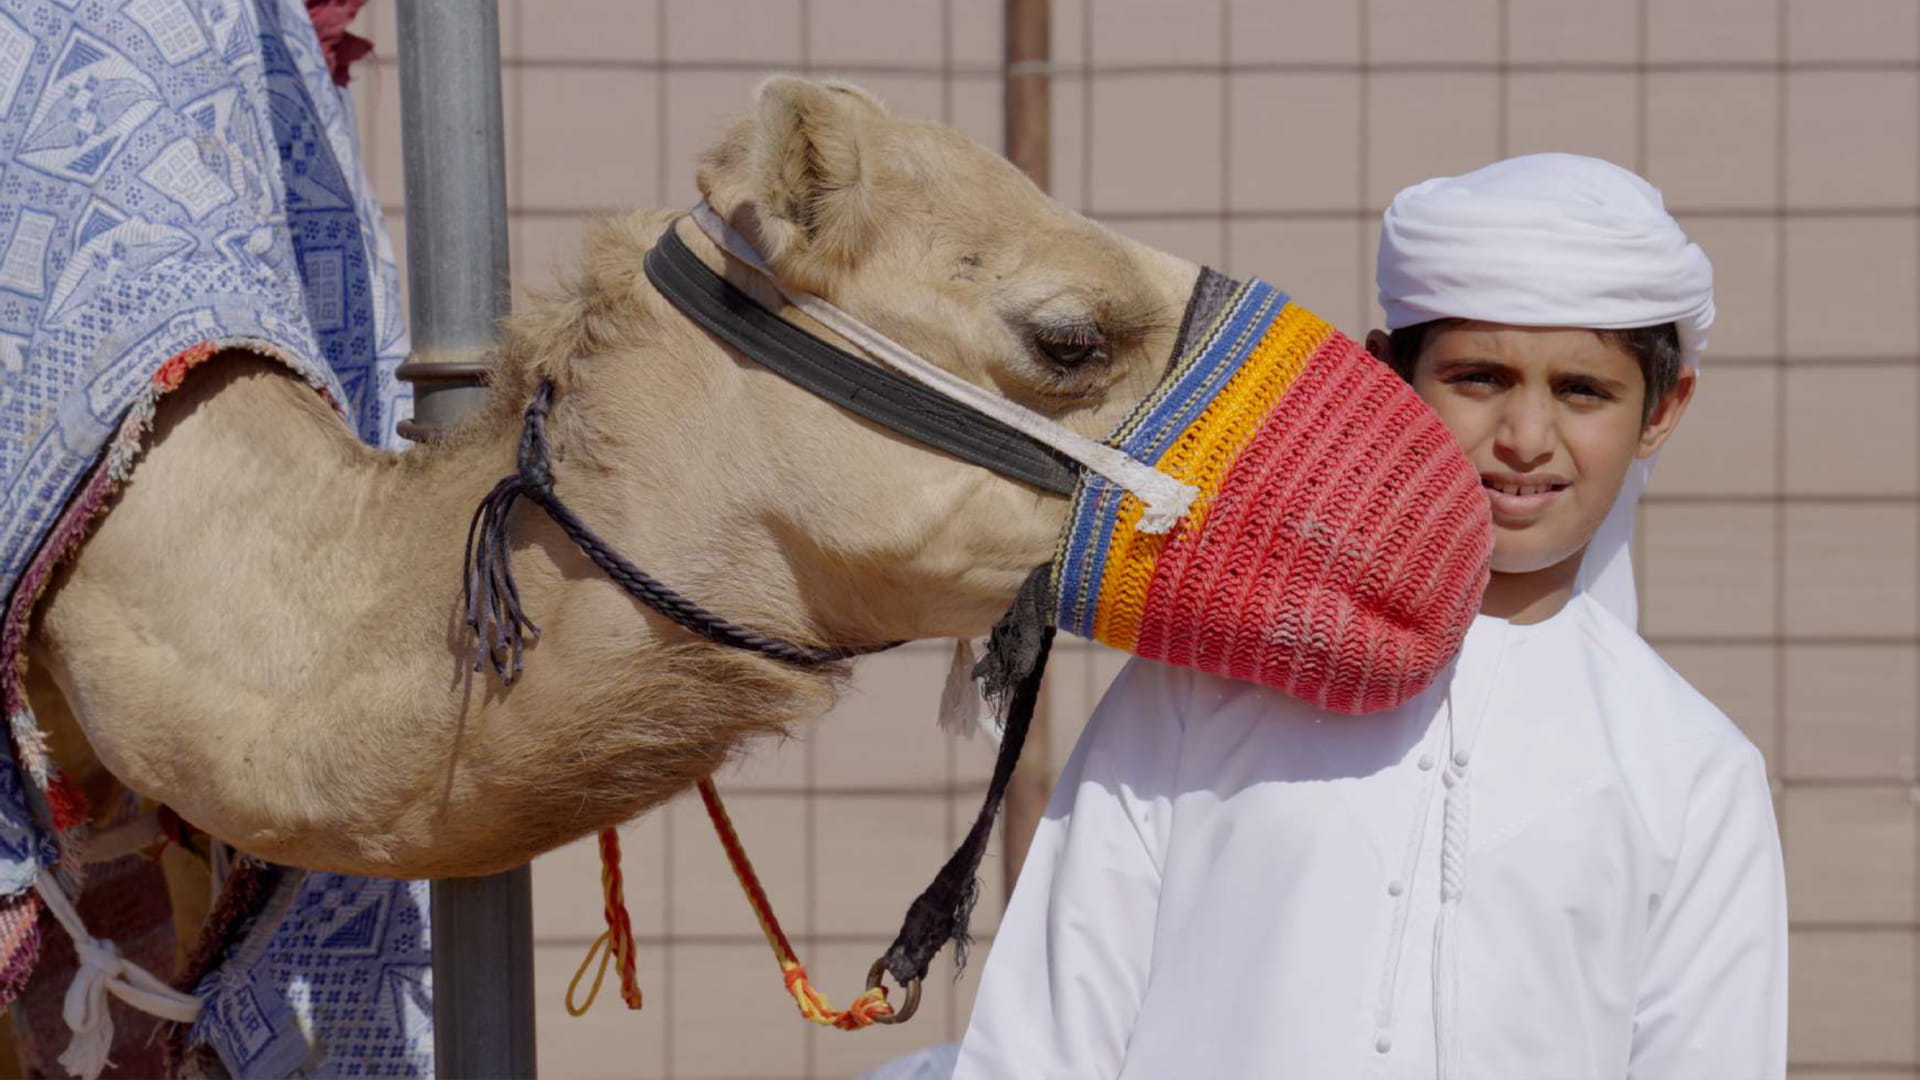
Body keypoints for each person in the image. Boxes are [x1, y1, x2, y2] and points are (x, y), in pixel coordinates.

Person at [953, 153, 1788, 1080]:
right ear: (1387, 373)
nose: (1524, 438)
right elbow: (1046, 1034)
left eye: (1582, 390)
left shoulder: (1690, 769)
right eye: (1479, 377)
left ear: (1663, 410)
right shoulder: (1212, 680)